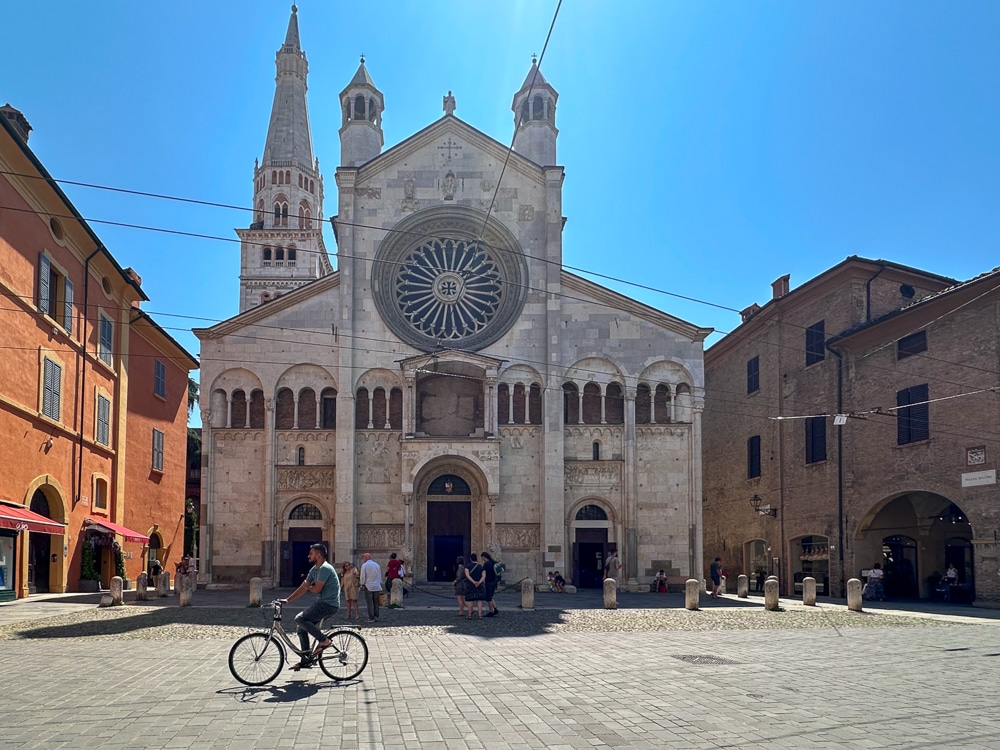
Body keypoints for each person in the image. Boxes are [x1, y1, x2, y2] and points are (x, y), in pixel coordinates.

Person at [280, 543, 340, 671]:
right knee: (301, 628)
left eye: (311, 553)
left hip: (328, 604)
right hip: (322, 603)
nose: (308, 556)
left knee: (300, 618)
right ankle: (306, 660)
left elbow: (316, 589)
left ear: (318, 555)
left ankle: (324, 640)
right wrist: (287, 600)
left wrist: (308, 586)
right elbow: (304, 587)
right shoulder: (314, 569)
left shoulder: (325, 568)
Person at [358, 552, 383, 622]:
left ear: (365, 558)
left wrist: (361, 583)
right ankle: (376, 615)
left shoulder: (365, 565)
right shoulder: (377, 565)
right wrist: (379, 582)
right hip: (377, 586)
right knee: (376, 602)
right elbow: (379, 575)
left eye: (363, 557)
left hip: (368, 585)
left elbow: (363, 576)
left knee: (369, 603)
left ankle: (371, 617)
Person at [464, 553, 487, 619]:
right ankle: (480, 615)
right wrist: (479, 582)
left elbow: (467, 575)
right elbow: (484, 576)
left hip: (470, 585)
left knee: (470, 601)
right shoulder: (481, 566)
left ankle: (469, 615)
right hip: (479, 585)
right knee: (479, 600)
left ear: (470, 559)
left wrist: (473, 582)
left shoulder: (467, 566)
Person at [481, 551, 500, 617]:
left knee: (488, 597)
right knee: (490, 596)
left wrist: (481, 581)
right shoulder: (494, 562)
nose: (482, 559)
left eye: (482, 557)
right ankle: (495, 608)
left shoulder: (486, 564)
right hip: (494, 582)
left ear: (484, 557)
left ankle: (490, 611)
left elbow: (484, 573)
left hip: (488, 582)